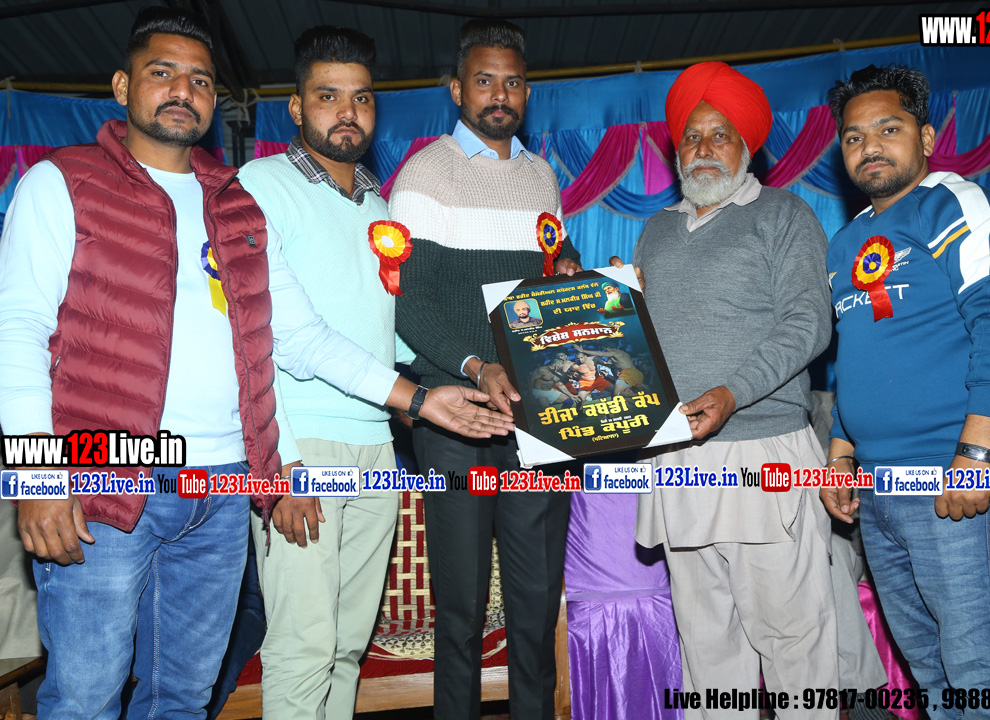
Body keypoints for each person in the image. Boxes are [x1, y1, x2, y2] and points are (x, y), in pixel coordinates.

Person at [0, 9, 511, 718]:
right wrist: (34, 475)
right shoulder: (65, 181)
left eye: (199, 80)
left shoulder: (232, 202)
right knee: (87, 697)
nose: (182, 90)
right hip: (106, 476)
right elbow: (18, 331)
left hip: (222, 482)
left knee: (184, 698)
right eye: (162, 73)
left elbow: (299, 336)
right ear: (122, 86)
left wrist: (422, 398)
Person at [822, 64, 990, 717]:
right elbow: (855, 355)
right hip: (880, 492)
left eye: (888, 129)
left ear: (927, 136)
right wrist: (841, 453)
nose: (869, 146)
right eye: (854, 137)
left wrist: (975, 456)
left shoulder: (955, 205)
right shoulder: (845, 244)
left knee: (983, 671)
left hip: (955, 480)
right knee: (933, 677)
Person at [627, 61, 839, 719]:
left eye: (720, 134)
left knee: (794, 643)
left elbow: (809, 322)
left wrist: (733, 392)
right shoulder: (656, 230)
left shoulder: (783, 214)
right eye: (691, 136)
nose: (703, 148)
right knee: (707, 648)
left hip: (764, 452)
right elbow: (640, 346)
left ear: (747, 146)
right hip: (678, 457)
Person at [389, 17, 583, 720]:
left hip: (537, 421)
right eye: (484, 81)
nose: (500, 94)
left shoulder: (541, 176)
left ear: (527, 91)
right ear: (456, 89)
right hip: (458, 420)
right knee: (462, 611)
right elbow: (408, 302)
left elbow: (547, 281)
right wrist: (475, 365)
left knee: (534, 607)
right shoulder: (424, 173)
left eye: (513, 82)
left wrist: (571, 272)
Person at [235, 26, 420, 718]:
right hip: (303, 446)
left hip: (378, 450)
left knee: (346, 647)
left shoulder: (380, 207)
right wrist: (280, 465)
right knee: (303, 645)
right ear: (295, 106)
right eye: (327, 96)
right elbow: (282, 339)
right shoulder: (260, 186)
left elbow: (386, 335)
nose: (348, 112)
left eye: (361, 98)